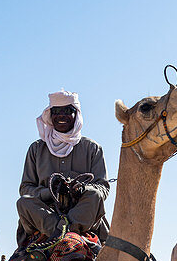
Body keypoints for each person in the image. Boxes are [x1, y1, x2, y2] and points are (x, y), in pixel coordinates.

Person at [17, 90, 109, 248]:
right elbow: (26, 188)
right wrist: (51, 192)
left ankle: (68, 232)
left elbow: (103, 187)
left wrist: (81, 188)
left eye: (67, 111)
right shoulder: (36, 149)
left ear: (76, 114)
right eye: (57, 111)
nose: (61, 116)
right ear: (50, 115)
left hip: (82, 213)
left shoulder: (92, 148)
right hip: (46, 214)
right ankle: (63, 233)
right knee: (23, 202)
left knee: (94, 194)